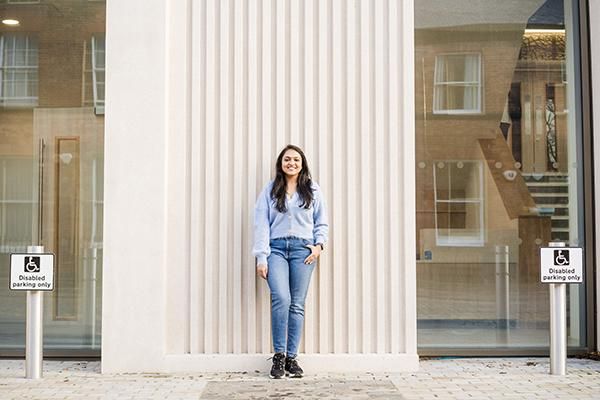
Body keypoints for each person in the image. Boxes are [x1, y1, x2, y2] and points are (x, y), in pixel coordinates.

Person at [253, 144, 328, 379]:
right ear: (281, 164)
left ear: (302, 163)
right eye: (287, 159)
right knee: (281, 299)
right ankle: (279, 355)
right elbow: (261, 224)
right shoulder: (270, 189)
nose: (291, 163)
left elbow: (321, 222)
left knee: (297, 303)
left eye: (296, 159)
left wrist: (319, 246)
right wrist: (261, 257)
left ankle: (292, 359)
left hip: (302, 250)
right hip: (276, 249)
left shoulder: (312, 190)